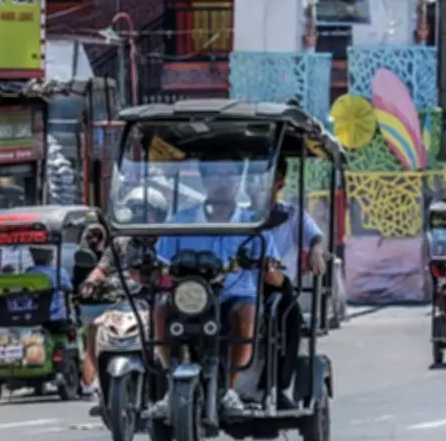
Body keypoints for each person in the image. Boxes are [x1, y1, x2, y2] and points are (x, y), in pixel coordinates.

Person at [147, 161, 284, 418]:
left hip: (235, 297)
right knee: (161, 310)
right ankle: (170, 381)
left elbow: (276, 278)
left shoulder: (253, 224)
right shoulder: (182, 221)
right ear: (204, 181)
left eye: (228, 175)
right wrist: (149, 268)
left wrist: (265, 264)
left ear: (237, 181)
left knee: (246, 312)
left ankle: (230, 388)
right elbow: (160, 263)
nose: (222, 182)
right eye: (215, 175)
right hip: (192, 298)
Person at [246, 156, 326, 409]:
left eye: (263, 176)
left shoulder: (291, 215)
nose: (255, 183)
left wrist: (315, 251)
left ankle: (278, 387)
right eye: (252, 176)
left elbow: (316, 237)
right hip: (241, 283)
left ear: (279, 183)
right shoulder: (239, 216)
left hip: (278, 285)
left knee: (288, 319)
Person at [79, 187, 168, 405]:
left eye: (144, 211)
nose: (138, 215)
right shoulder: (120, 241)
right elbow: (103, 268)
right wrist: (91, 282)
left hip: (155, 302)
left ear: (158, 215)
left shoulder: (165, 241)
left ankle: (170, 375)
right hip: (122, 302)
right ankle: (95, 381)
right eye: (134, 210)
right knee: (94, 326)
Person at [25, 246, 72, 321]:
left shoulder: (30, 273)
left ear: (33, 255)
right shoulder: (62, 272)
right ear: (51, 256)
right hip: (60, 317)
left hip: (37, 317)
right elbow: (68, 296)